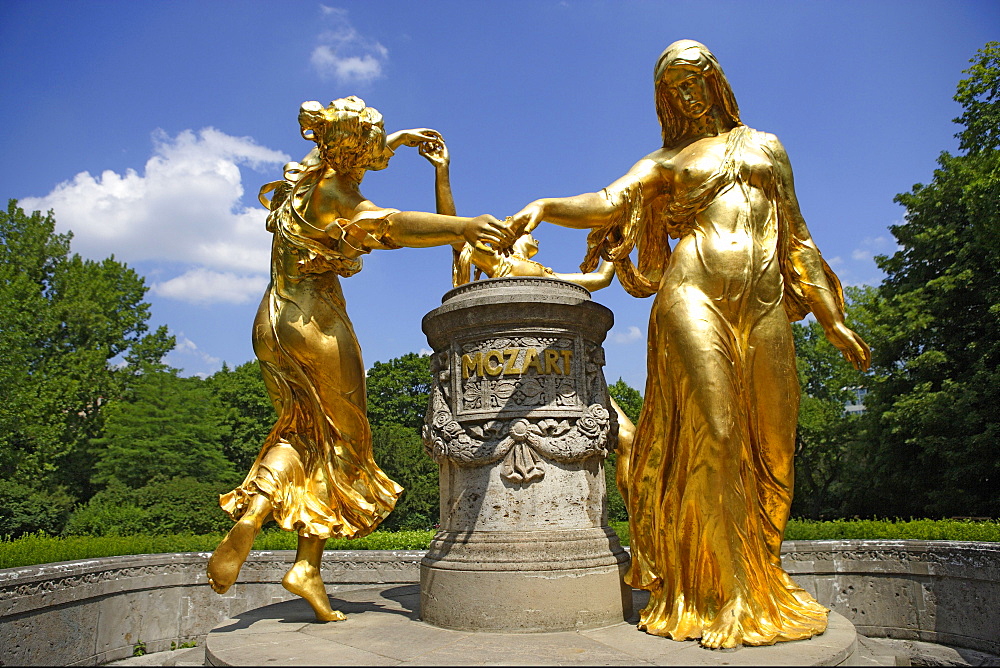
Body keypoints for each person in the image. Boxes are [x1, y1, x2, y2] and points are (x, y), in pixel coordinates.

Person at [506, 40, 870, 648]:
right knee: (717, 434)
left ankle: (762, 576)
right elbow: (607, 202)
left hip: (766, 301)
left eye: (695, 77)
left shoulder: (765, 147)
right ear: (664, 98)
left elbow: (798, 237)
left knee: (775, 448)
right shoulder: (665, 163)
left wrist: (832, 318)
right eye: (674, 85)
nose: (687, 91)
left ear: (716, 80)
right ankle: (721, 595)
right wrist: (545, 206)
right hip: (692, 293)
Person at [206, 96, 510, 622]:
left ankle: (264, 524)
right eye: (374, 141)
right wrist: (463, 228)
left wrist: (398, 142)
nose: (380, 149)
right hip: (317, 326)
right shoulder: (344, 199)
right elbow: (393, 225)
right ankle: (299, 560)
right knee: (346, 443)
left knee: (300, 431)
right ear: (355, 151)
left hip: (272, 321)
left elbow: (349, 165)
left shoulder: (309, 179)